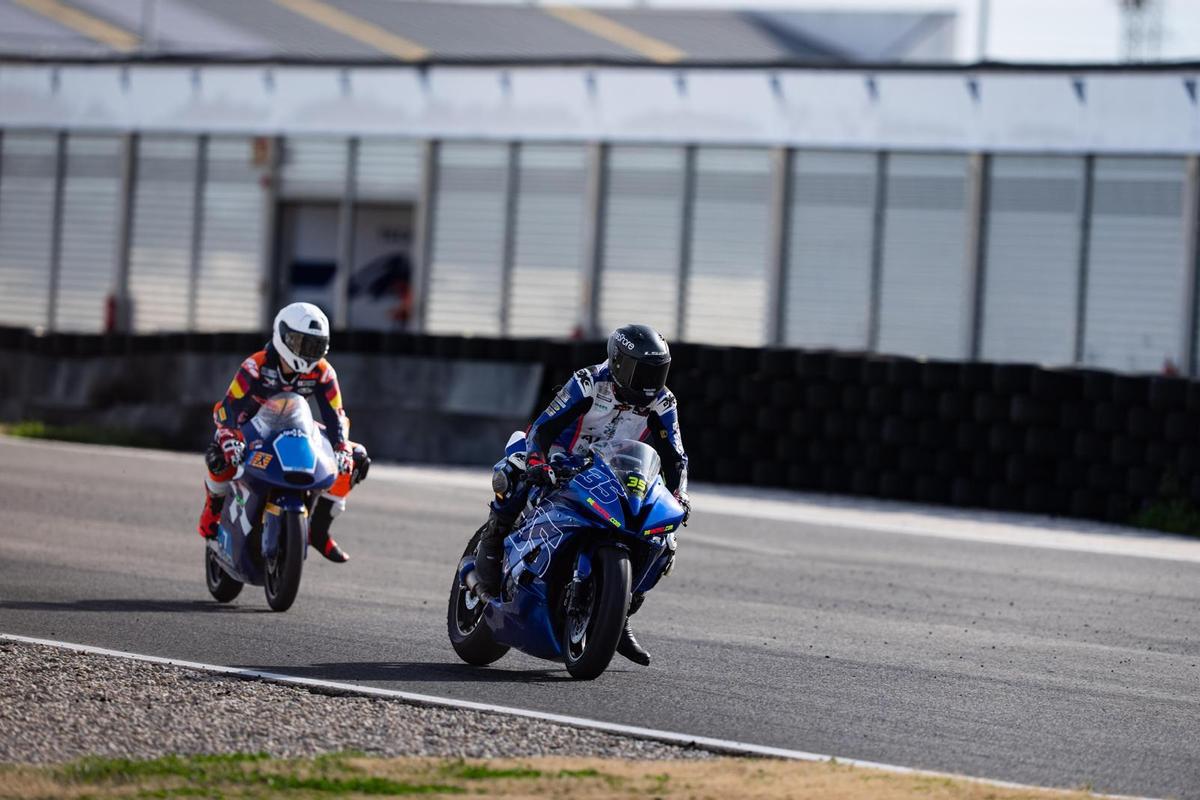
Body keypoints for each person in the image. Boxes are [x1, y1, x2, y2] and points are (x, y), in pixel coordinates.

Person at [476, 323, 690, 666]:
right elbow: (544, 427)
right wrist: (537, 461)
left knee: (662, 539)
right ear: (619, 363)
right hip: (563, 457)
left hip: (618, 468)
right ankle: (493, 538)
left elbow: (675, 456)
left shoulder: (663, 400)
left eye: (658, 371)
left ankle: (619, 613)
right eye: (642, 371)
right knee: (515, 472)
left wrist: (681, 494)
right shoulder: (589, 382)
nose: (650, 381)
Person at [197, 302, 369, 562]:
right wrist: (229, 437)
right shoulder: (255, 366)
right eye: (303, 344)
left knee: (357, 459)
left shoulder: (323, 372)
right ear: (284, 337)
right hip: (250, 428)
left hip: (296, 428)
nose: (309, 354)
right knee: (219, 457)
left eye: (316, 346)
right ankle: (213, 511)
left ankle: (318, 531)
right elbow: (228, 408)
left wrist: (341, 447)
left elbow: (335, 416)